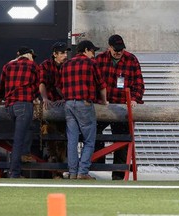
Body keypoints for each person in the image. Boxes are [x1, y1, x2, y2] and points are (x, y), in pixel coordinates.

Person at [95, 34, 145, 180]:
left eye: (121, 50)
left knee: (123, 140)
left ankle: (119, 175)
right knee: (93, 131)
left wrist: (135, 99)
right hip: (103, 106)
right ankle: (97, 163)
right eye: (115, 49)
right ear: (109, 47)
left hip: (123, 107)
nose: (118, 52)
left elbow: (139, 83)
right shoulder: (99, 59)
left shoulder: (132, 59)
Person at [60, 40, 108, 180]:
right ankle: (83, 172)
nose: (94, 54)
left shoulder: (66, 64)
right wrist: (104, 102)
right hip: (84, 104)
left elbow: (60, 85)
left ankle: (73, 172)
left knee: (72, 141)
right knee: (89, 140)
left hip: (68, 104)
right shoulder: (91, 63)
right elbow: (101, 85)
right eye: (93, 51)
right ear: (86, 50)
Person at [0, 46, 39, 178]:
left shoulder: (8, 66)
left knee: (29, 127)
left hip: (10, 107)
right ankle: (14, 173)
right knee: (19, 140)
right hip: (24, 105)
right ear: (29, 55)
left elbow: (2, 86)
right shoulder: (33, 66)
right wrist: (36, 98)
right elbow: (37, 85)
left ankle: (25, 153)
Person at [39, 41, 71, 178]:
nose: (65, 55)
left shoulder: (68, 66)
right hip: (50, 106)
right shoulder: (45, 65)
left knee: (64, 139)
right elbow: (42, 83)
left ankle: (62, 169)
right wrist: (45, 99)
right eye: (62, 53)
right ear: (54, 54)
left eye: (66, 52)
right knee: (50, 138)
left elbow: (67, 86)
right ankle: (54, 172)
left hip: (64, 105)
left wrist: (65, 98)